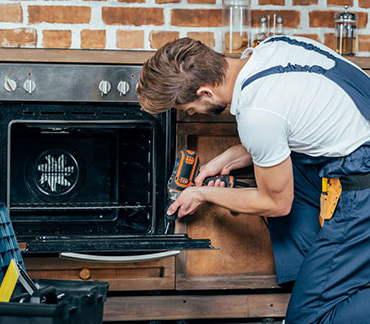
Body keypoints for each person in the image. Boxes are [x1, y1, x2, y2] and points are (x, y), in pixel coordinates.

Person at [137, 35, 370, 323]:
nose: (193, 113)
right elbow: (292, 123)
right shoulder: (271, 48)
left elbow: (277, 203)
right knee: (287, 169)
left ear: (205, 92)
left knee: (309, 319)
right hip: (357, 152)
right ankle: (316, 279)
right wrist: (228, 158)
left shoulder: (256, 113)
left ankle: (323, 297)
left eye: (188, 109)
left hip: (361, 188)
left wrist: (203, 194)